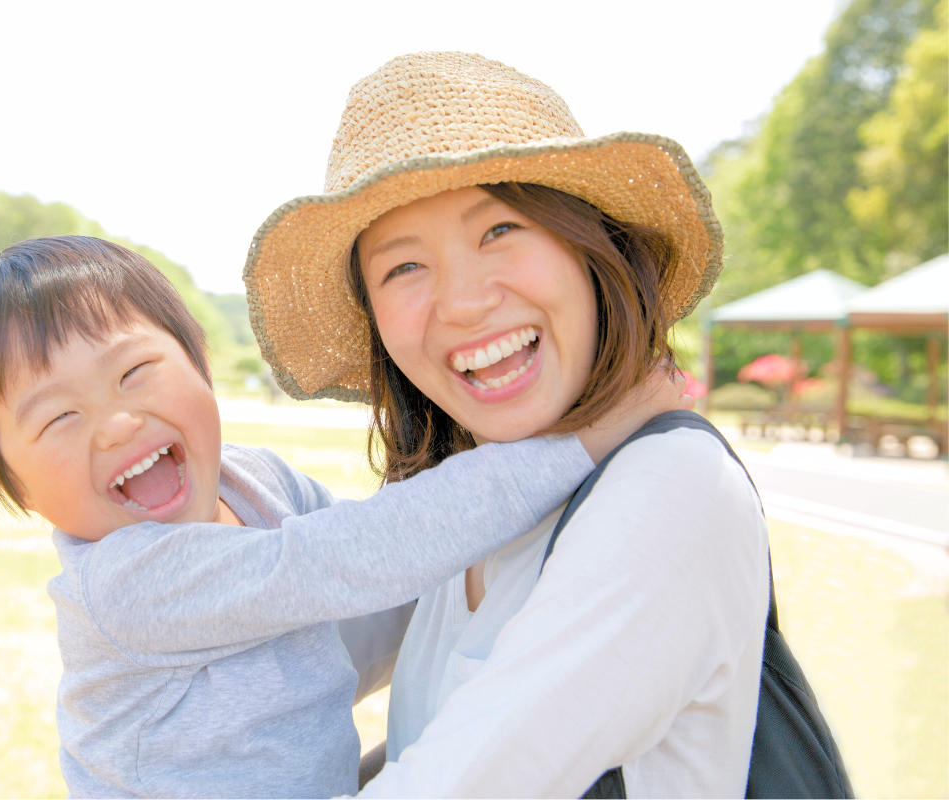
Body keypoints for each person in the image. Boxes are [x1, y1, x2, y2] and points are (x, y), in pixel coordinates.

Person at [0, 235, 682, 798]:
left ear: (200, 364)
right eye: (58, 419)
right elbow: (344, 560)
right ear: (16, 489)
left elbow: (381, 601)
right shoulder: (125, 582)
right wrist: (579, 442)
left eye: (135, 372)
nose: (116, 424)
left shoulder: (257, 485)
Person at [242, 52, 771, 797]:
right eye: (403, 268)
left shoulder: (673, 486)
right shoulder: (467, 515)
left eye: (498, 230)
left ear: (591, 248)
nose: (462, 302)